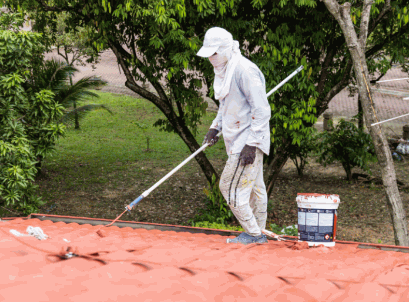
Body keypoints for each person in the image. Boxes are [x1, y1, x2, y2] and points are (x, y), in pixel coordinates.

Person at [197, 27, 271, 244]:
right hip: (236, 137)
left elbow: (262, 110)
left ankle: (253, 234)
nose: (211, 58)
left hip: (248, 141)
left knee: (228, 186)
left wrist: (252, 143)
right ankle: (261, 233)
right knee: (256, 188)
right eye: (209, 54)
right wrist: (215, 127)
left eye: (214, 53)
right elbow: (226, 105)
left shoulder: (244, 71)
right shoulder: (224, 70)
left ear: (225, 49)